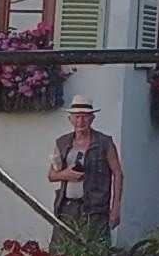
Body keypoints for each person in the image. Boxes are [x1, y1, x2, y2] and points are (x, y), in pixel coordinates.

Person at [47, 100, 121, 236]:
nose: (80, 121)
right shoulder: (62, 142)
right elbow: (51, 175)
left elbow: (117, 174)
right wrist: (65, 175)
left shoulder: (104, 143)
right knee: (62, 252)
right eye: (76, 116)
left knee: (93, 251)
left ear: (92, 118)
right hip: (67, 208)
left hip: (95, 208)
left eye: (84, 116)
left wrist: (115, 208)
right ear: (70, 119)